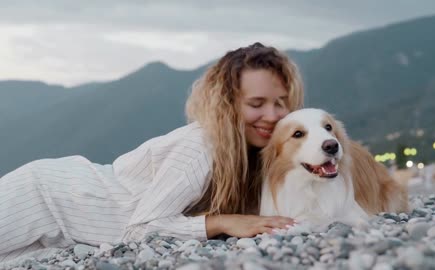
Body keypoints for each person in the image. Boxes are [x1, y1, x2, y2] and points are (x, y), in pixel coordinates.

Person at [0, 42, 305, 264]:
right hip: (44, 197)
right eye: (256, 104)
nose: (273, 114)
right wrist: (221, 222)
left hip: (67, 234)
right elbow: (142, 229)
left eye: (281, 101)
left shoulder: (256, 154)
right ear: (227, 104)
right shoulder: (200, 148)